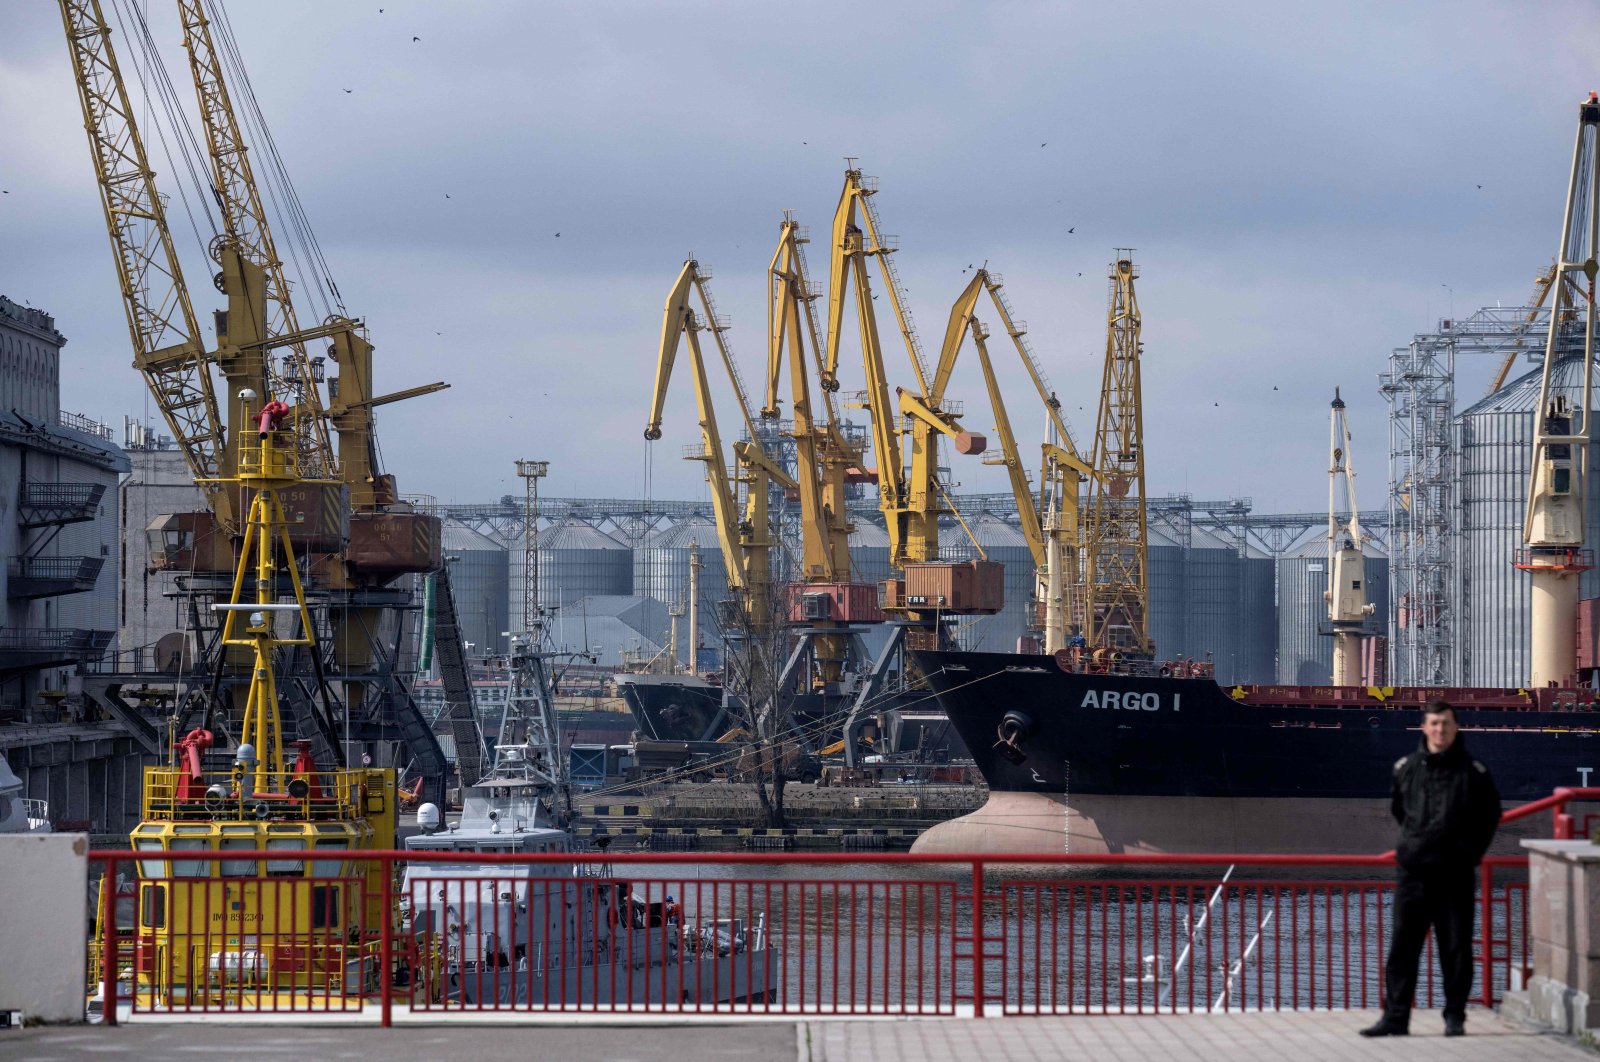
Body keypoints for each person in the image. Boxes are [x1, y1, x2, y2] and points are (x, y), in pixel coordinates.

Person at [1361, 698, 1501, 1038]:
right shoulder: (1406, 768)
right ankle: (1395, 1018)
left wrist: (1469, 854)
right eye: (1434, 723)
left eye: (1446, 723)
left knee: (1455, 948)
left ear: (1455, 728)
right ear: (1424, 727)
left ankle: (1455, 1017)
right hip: (1413, 874)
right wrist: (1414, 846)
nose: (1439, 730)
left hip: (1455, 875)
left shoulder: (1474, 772)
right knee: (1402, 949)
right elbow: (1400, 810)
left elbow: (1489, 817)